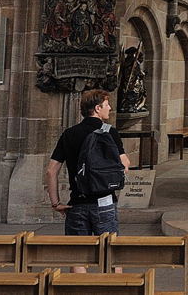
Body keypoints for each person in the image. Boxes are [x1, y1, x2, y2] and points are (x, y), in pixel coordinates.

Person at [46, 88, 131, 271]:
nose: (110, 108)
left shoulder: (69, 134)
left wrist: (56, 203)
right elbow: (125, 164)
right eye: (107, 105)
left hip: (77, 203)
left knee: (78, 258)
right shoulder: (110, 132)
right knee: (111, 256)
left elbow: (51, 171)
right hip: (105, 202)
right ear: (97, 108)